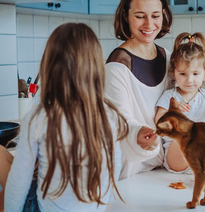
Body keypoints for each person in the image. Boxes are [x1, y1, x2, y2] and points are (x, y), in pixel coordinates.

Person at [105, 0, 205, 180]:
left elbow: (186, 102)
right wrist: (139, 132)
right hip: (132, 173)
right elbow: (119, 122)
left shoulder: (170, 58)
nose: (149, 24)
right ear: (126, 16)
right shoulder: (116, 67)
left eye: (155, 15)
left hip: (165, 170)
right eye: (139, 16)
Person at [3, 22, 128, 212]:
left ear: (49, 66)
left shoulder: (40, 117)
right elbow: (115, 162)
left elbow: (19, 180)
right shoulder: (107, 113)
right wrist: (104, 202)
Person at [154, 32, 205, 190]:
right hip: (176, 159)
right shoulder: (170, 96)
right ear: (174, 73)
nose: (189, 80)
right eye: (182, 74)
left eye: (195, 74)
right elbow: (159, 122)